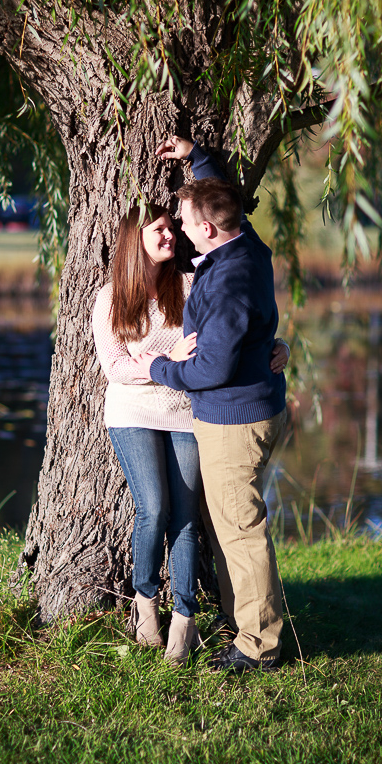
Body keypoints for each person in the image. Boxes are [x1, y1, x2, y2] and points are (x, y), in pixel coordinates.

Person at [92, 199, 289, 667]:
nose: (168, 235)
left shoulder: (191, 284)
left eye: (170, 227)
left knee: (186, 515)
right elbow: (115, 367)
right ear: (132, 242)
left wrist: (275, 345)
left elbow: (232, 332)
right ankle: (144, 602)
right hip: (133, 411)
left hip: (185, 411)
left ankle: (185, 616)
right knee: (154, 508)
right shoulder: (110, 297)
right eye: (156, 230)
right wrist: (166, 365)